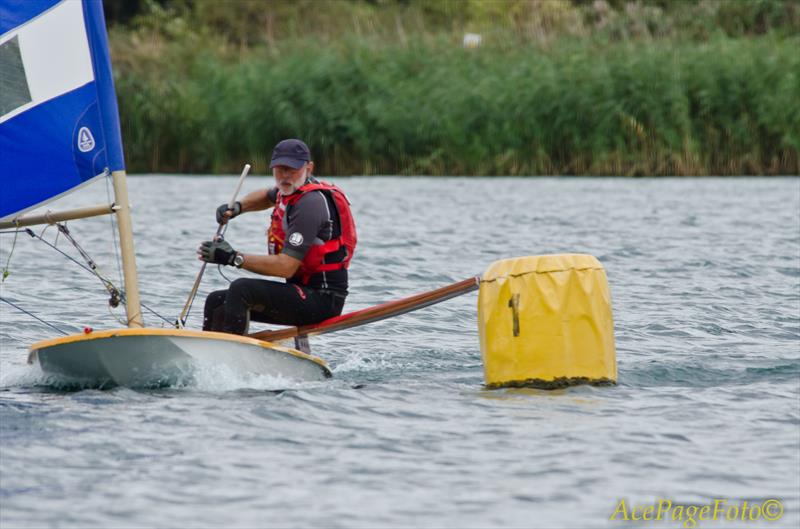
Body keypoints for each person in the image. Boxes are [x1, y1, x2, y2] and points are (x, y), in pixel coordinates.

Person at [198, 139, 357, 336]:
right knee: (216, 301)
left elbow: (286, 267)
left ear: (309, 168)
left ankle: (231, 359)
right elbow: (266, 195)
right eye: (280, 169)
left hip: (323, 300)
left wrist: (233, 257)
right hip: (300, 292)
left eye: (292, 169)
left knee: (241, 289)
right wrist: (238, 207)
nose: (285, 176)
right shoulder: (289, 189)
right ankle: (209, 355)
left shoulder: (310, 205)